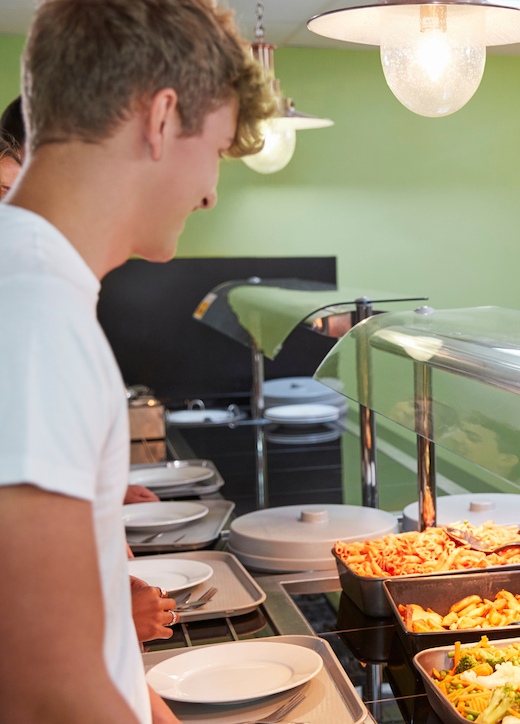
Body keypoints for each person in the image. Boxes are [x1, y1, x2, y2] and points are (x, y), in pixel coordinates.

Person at [0, 2, 275, 724]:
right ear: (161, 119)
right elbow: (43, 689)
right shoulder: (32, 311)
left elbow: (89, 648)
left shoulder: (37, 288)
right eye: (215, 148)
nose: (212, 191)